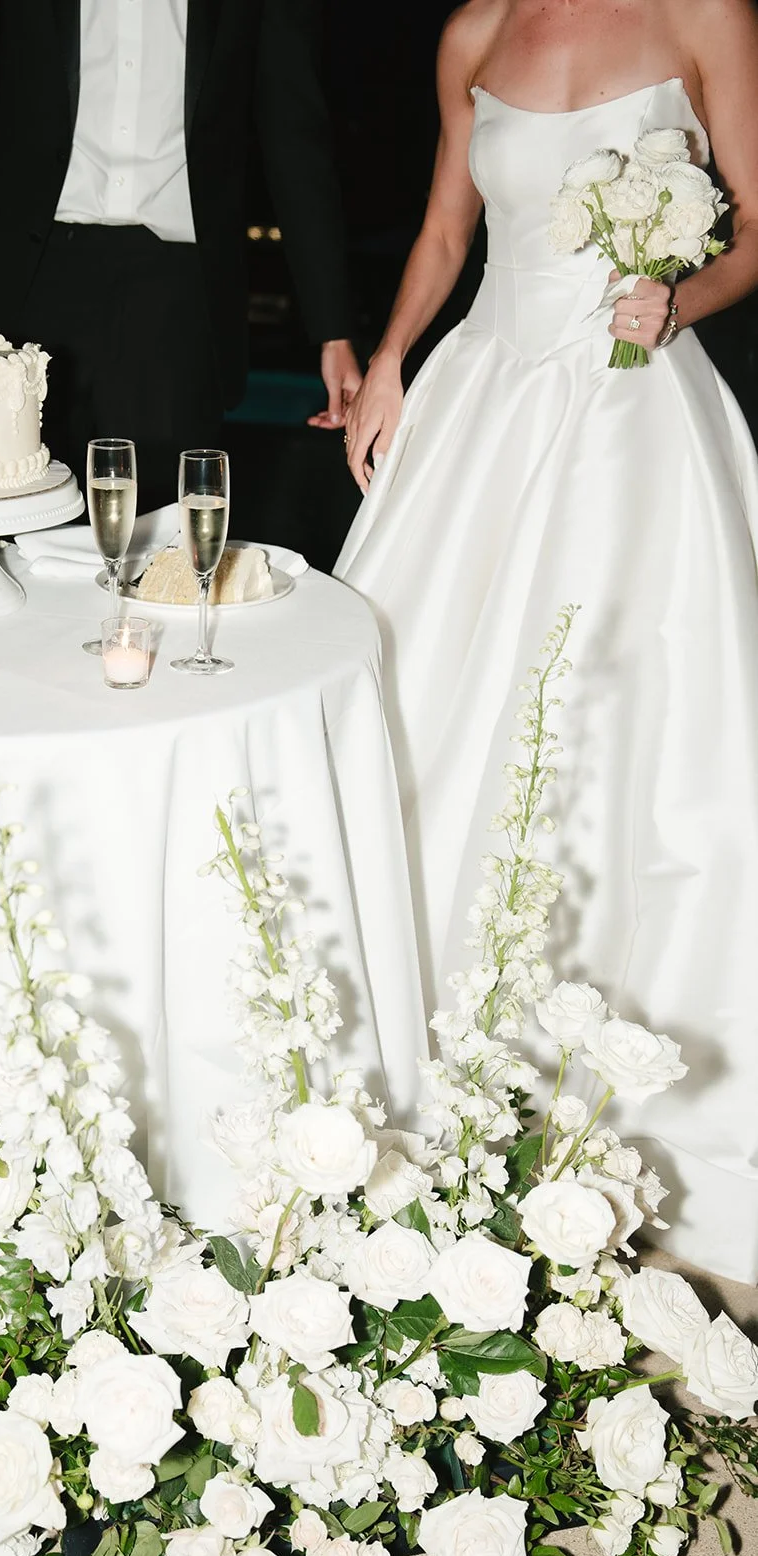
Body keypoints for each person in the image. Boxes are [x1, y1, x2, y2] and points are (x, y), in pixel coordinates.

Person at [334, 0, 758, 1282]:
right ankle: (423, 1083)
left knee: (610, 737)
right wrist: (393, 359)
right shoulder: (473, 31)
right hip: (481, 399)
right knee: (418, 713)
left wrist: (678, 296)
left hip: (628, 420)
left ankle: (613, 1105)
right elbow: (444, 228)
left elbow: (757, 227)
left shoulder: (703, 12)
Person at [0, 0, 361, 509]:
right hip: (24, 287)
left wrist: (333, 328)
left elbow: (294, 129)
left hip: (175, 299)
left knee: (161, 552)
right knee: (12, 529)